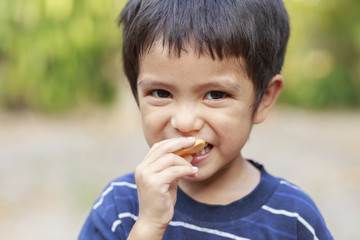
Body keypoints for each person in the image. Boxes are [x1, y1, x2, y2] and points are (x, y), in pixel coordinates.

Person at [79, 0, 333, 239]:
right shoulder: (120, 207)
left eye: (215, 94)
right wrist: (148, 227)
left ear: (264, 98)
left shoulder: (293, 219)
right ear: (136, 93)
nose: (186, 122)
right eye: (161, 93)